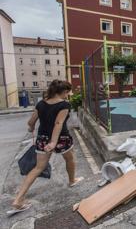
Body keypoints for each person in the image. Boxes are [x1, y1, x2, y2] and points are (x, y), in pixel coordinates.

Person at [10, 80, 83, 213]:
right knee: (70, 158)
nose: (69, 94)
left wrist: (31, 127)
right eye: (68, 92)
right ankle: (72, 180)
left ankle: (18, 199)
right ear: (64, 92)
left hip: (42, 138)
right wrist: (54, 142)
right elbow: (58, 123)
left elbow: (31, 121)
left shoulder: (41, 103)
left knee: (38, 168)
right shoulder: (64, 104)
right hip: (61, 138)